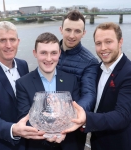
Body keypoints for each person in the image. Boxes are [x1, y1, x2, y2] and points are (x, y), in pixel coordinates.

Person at [63, 22, 131, 150]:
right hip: (96, 142)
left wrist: (86, 118)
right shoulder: (97, 69)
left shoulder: (128, 73)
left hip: (117, 144)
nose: (103, 48)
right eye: (98, 43)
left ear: (120, 42)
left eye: (108, 42)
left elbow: (122, 116)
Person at [0, 21, 44, 150]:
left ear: (18, 41)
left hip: (28, 142)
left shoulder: (23, 65)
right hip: (4, 144)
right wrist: (14, 129)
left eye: (12, 39)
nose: (8, 45)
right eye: (3, 40)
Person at [16, 32, 82, 150]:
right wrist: (48, 134)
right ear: (35, 53)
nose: (48, 58)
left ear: (59, 54)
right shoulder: (23, 83)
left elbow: (76, 113)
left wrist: (63, 132)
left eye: (53, 53)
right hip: (38, 146)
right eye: (43, 53)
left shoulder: (71, 80)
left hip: (68, 145)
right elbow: (25, 118)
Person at [57, 10, 99, 149]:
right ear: (61, 29)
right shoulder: (49, 51)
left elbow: (89, 94)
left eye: (77, 31)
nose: (72, 36)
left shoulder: (90, 61)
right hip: (46, 122)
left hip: (72, 127)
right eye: (68, 30)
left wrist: (73, 114)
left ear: (84, 33)